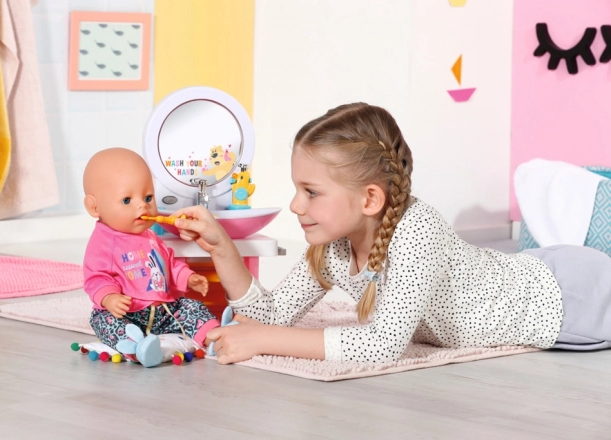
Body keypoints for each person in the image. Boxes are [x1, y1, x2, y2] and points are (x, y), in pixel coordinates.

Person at [173, 103, 611, 365]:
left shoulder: (418, 229)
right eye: (296, 190)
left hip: (569, 297)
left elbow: (382, 344)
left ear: (369, 199)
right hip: (543, 276)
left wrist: (262, 341)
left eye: (310, 192)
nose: (295, 206)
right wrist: (222, 248)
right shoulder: (333, 246)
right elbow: (267, 318)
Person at [82, 148, 219, 367]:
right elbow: (96, 277)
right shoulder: (105, 241)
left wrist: (188, 278)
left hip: (163, 312)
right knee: (103, 321)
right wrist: (109, 298)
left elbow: (169, 264)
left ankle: (214, 336)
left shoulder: (151, 236)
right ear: (94, 207)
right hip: (129, 314)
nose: (143, 205)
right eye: (127, 200)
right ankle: (137, 349)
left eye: (148, 197)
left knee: (191, 307)